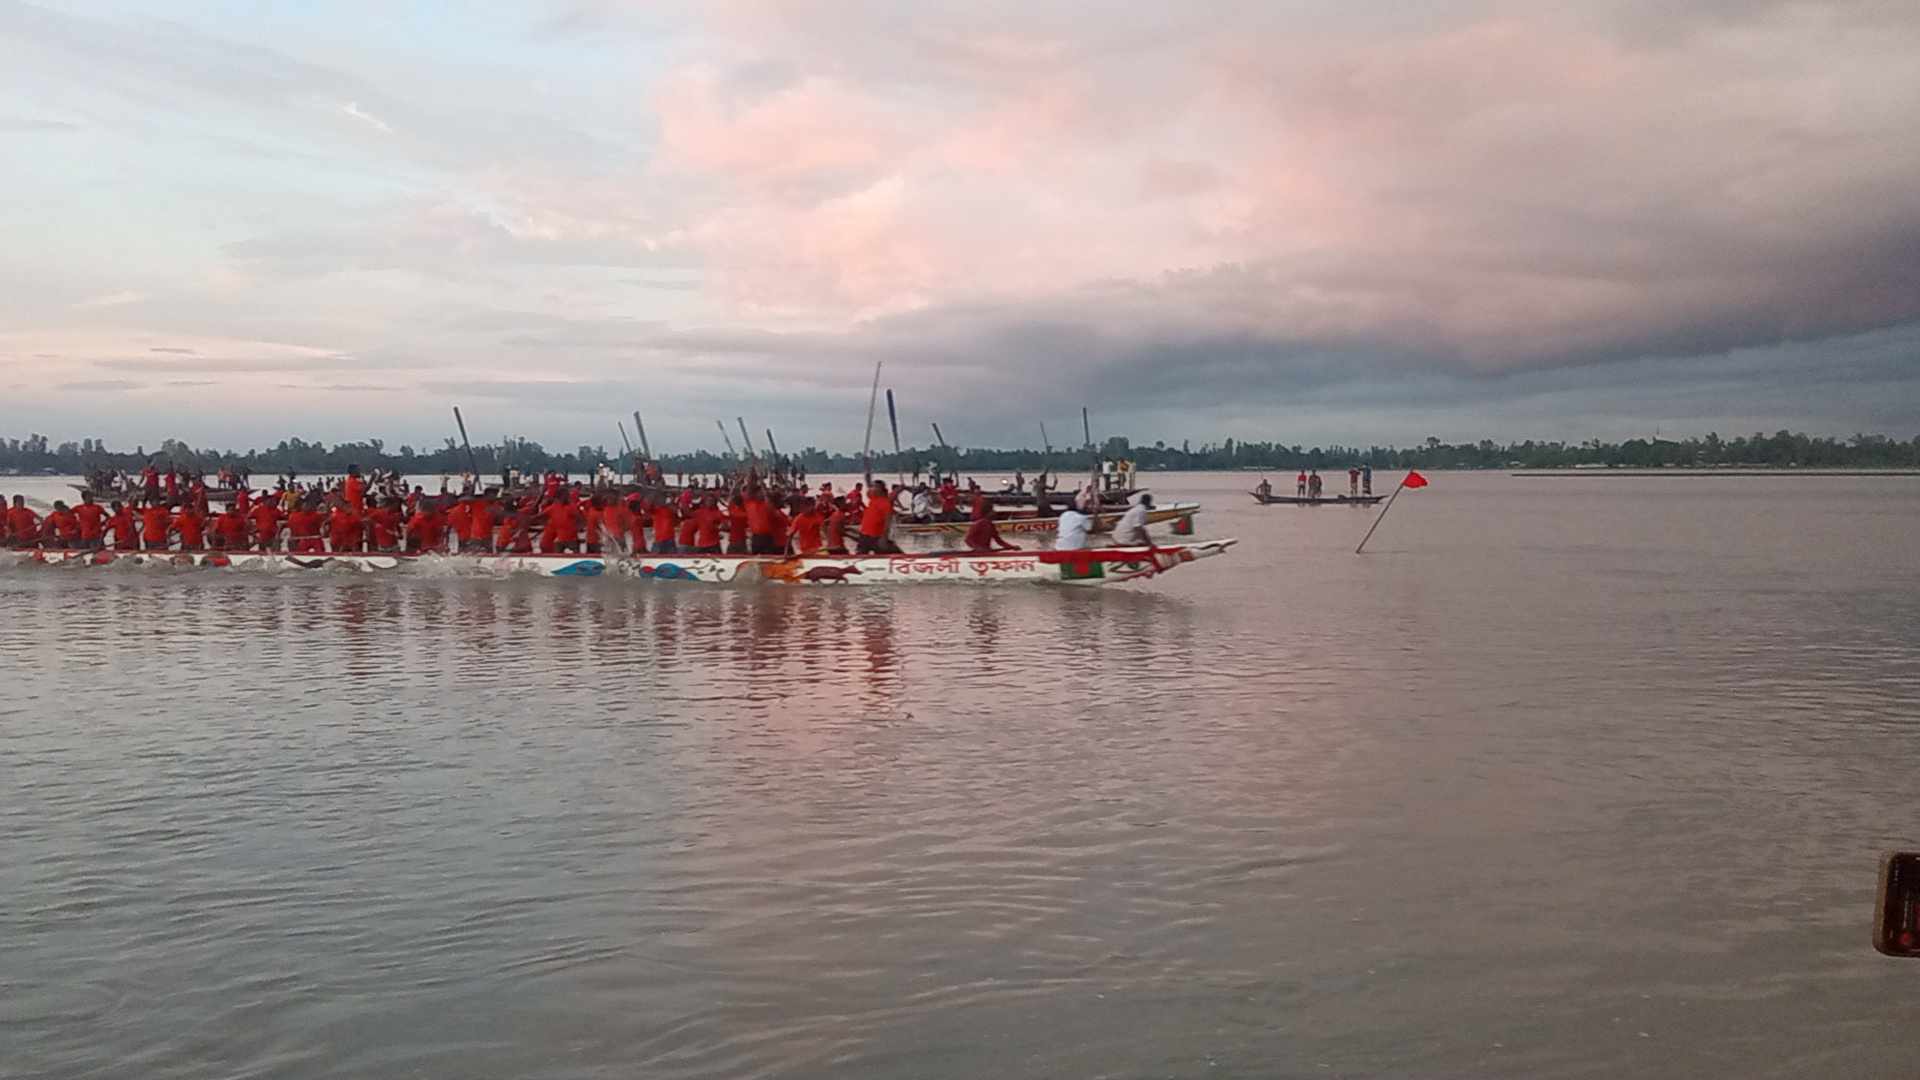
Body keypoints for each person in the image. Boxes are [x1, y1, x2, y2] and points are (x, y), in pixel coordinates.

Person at [856, 480, 900, 555]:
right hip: (865, 536)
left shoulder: (886, 503)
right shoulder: (873, 498)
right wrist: (867, 474)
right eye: (872, 487)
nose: (871, 489)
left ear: (880, 490)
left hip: (876, 537)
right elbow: (868, 491)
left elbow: (887, 523)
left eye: (874, 487)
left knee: (895, 552)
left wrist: (884, 538)